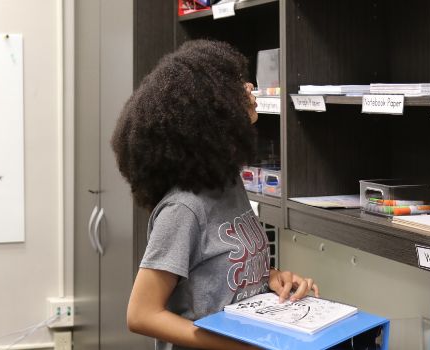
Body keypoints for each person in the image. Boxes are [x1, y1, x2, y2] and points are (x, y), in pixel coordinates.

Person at [111, 39, 320, 350]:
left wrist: (273, 278)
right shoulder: (184, 209)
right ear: (208, 110)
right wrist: (235, 345)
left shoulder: (228, 181)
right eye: (235, 85)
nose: (249, 87)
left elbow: (224, 275)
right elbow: (141, 314)